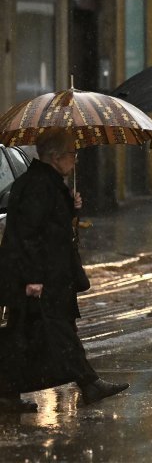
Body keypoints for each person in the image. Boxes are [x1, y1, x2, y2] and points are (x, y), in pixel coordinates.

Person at [0, 128, 128, 412]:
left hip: (47, 275)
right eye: (72, 153)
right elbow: (29, 234)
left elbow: (49, 224)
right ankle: (89, 383)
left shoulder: (47, 183)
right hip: (41, 277)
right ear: (55, 157)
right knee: (56, 331)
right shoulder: (38, 185)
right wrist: (33, 279)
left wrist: (71, 207)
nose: (75, 159)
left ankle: (7, 393)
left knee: (25, 335)